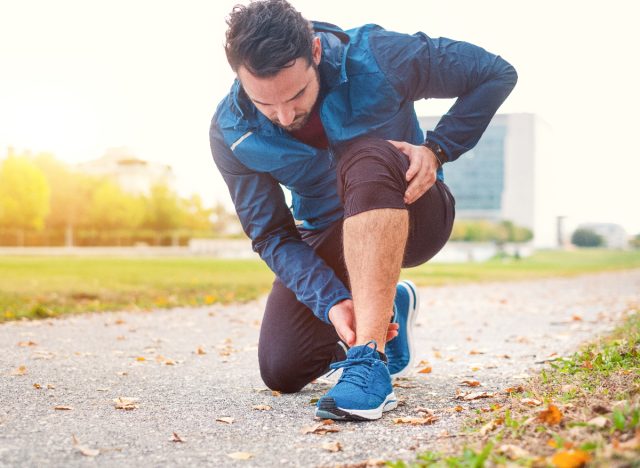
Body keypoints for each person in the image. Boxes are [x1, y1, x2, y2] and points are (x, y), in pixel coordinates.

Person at [210, 0, 517, 421]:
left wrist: (438, 148)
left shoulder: (378, 55)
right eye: (265, 103)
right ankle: (390, 305)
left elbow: (494, 73)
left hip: (412, 212)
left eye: (296, 94)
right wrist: (333, 300)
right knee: (282, 367)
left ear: (315, 52)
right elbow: (272, 235)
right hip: (329, 230)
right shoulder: (232, 132)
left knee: (368, 155)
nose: (284, 115)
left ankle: (369, 361)